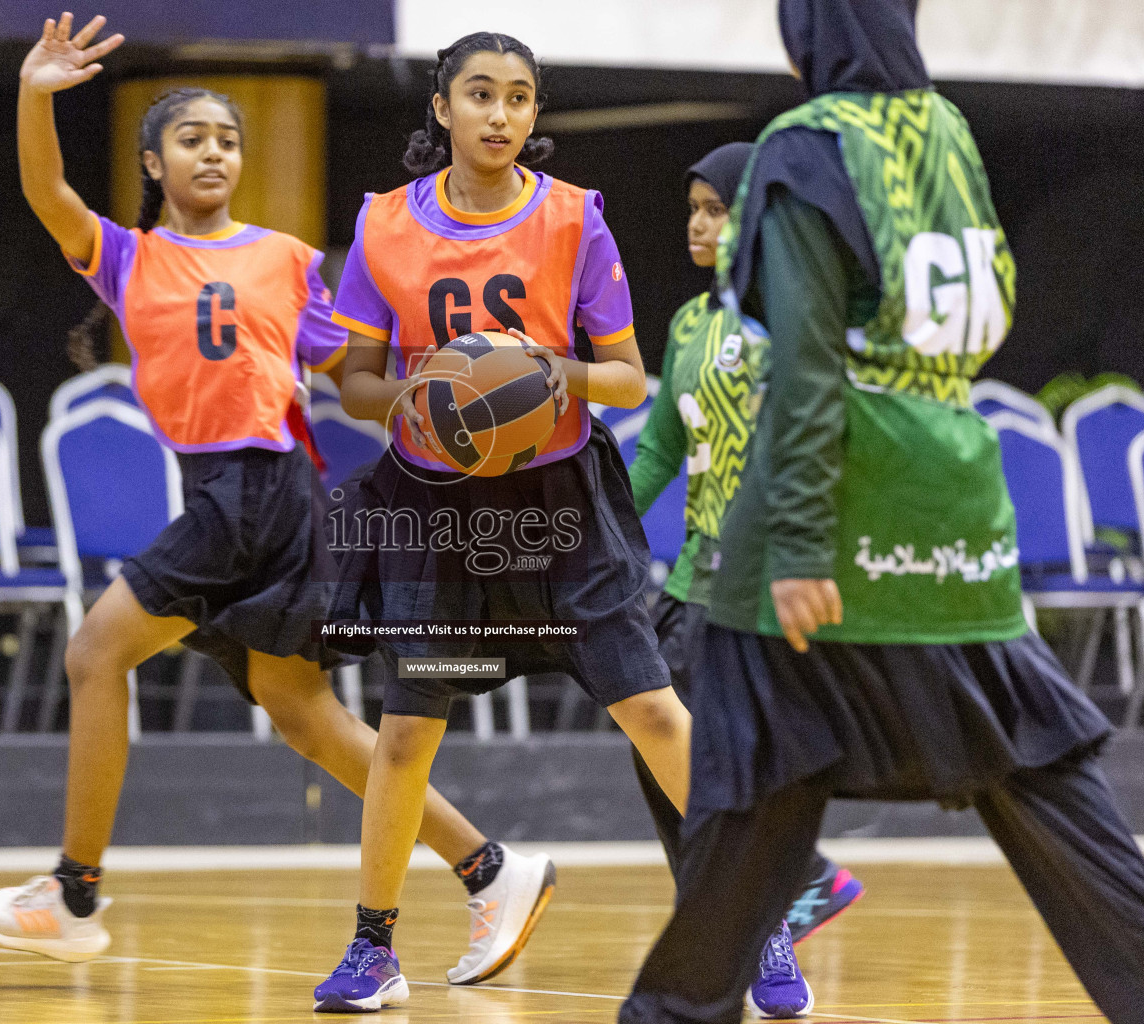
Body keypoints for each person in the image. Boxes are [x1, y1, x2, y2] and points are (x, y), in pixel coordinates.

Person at [619, 2, 1144, 1023]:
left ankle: (677, 1008)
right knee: (1022, 748)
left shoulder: (805, 149)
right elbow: (999, 304)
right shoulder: (950, 135)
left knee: (753, 767)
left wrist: (801, 543)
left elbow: (801, 367)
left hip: (838, 490)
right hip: (955, 479)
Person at [0, 13, 556, 981]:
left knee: (95, 651)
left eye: (228, 139)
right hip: (237, 494)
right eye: (193, 138)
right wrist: (35, 92)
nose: (215, 152)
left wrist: (456, 383)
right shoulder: (128, 257)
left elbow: (357, 361)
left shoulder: (285, 257)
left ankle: (71, 890)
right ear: (153, 162)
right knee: (305, 714)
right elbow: (45, 190)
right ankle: (490, 868)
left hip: (266, 486)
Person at [312, 30, 694, 1014]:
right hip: (439, 511)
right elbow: (350, 381)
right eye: (480, 94)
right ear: (440, 108)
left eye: (520, 98)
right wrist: (421, 392)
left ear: (534, 114)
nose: (500, 114)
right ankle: (374, 948)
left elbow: (626, 376)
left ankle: (760, 916)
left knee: (652, 709)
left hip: (561, 502)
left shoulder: (575, 220)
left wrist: (544, 373)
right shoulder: (386, 225)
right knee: (404, 735)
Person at [627, 141, 867, 1019]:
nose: (698, 223)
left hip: (763, 579)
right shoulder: (691, 325)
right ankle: (756, 928)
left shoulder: (795, 315)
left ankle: (791, 890)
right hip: (693, 579)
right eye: (691, 208)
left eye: (716, 208)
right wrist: (590, 512)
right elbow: (659, 448)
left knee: (713, 760)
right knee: (662, 755)